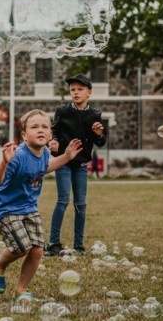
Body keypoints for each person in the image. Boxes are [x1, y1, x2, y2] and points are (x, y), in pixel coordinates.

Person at [0, 109, 82, 304]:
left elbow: (45, 167)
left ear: (50, 134)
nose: (40, 130)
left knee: (38, 249)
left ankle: (21, 290)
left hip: (29, 207)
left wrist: (66, 157)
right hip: (6, 209)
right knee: (22, 248)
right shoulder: (18, 155)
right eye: (34, 127)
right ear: (24, 135)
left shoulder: (45, 152)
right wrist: (5, 162)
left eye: (45, 127)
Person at [45, 73, 107, 257]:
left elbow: (101, 142)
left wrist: (98, 134)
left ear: (89, 93)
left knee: (81, 204)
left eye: (80, 89)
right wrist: (54, 141)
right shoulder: (62, 111)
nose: (76, 92)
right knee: (62, 200)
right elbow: (54, 131)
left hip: (80, 166)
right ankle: (54, 244)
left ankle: (79, 246)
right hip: (63, 161)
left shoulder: (94, 115)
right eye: (73, 90)